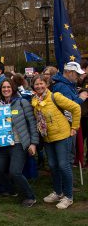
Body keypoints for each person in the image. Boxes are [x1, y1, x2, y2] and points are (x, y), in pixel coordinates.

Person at [31, 75, 81, 209]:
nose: (39, 86)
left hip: (62, 136)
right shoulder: (35, 100)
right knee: (52, 166)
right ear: (33, 87)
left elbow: (76, 107)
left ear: (46, 84)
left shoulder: (55, 96)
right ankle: (58, 192)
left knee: (63, 165)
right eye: (36, 84)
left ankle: (68, 196)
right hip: (47, 137)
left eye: (41, 84)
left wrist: (74, 127)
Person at [0, 79, 39, 207]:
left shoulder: (22, 102)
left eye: (8, 87)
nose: (6, 89)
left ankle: (30, 196)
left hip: (19, 143)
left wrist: (33, 143)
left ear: (13, 88)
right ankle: (12, 190)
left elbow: (32, 124)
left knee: (15, 172)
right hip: (3, 144)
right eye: (3, 88)